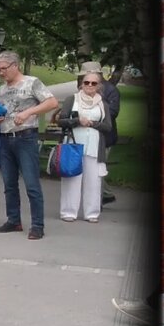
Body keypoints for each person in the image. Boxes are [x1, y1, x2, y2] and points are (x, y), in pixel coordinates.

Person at [0, 51, 59, 240]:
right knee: (9, 184)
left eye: (4, 69)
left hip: (26, 138)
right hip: (5, 137)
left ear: (15, 65)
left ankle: (37, 225)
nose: (1, 73)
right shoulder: (1, 90)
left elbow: (52, 102)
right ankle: (14, 220)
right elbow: (2, 111)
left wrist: (29, 112)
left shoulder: (32, 82)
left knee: (31, 183)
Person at [56, 71, 112, 223]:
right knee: (72, 178)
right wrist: (77, 121)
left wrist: (93, 123)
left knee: (93, 181)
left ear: (98, 86)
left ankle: (92, 213)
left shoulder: (103, 103)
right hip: (74, 143)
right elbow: (61, 121)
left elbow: (108, 126)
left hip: (94, 146)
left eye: (93, 83)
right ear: (82, 84)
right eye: (87, 82)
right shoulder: (72, 99)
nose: (89, 86)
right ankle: (68, 211)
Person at [76, 61, 121, 205]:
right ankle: (104, 195)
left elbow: (113, 112)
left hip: (104, 137)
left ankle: (98, 200)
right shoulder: (83, 87)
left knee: (97, 170)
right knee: (89, 169)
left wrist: (92, 114)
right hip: (84, 135)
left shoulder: (111, 90)